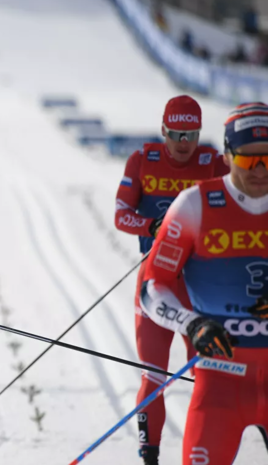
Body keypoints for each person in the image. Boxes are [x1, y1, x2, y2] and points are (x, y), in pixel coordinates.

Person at [139, 101, 268, 465]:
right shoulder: (195, 206)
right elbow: (153, 288)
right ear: (227, 156)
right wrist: (191, 323)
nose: (260, 171)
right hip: (220, 382)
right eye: (248, 160)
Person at [114, 95, 228, 465]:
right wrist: (151, 226)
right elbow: (120, 213)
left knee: (209, 372)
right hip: (155, 281)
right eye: (176, 134)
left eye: (191, 134)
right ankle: (150, 455)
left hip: (200, 283)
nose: (183, 143)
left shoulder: (213, 162)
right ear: (163, 130)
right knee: (153, 375)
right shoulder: (142, 160)